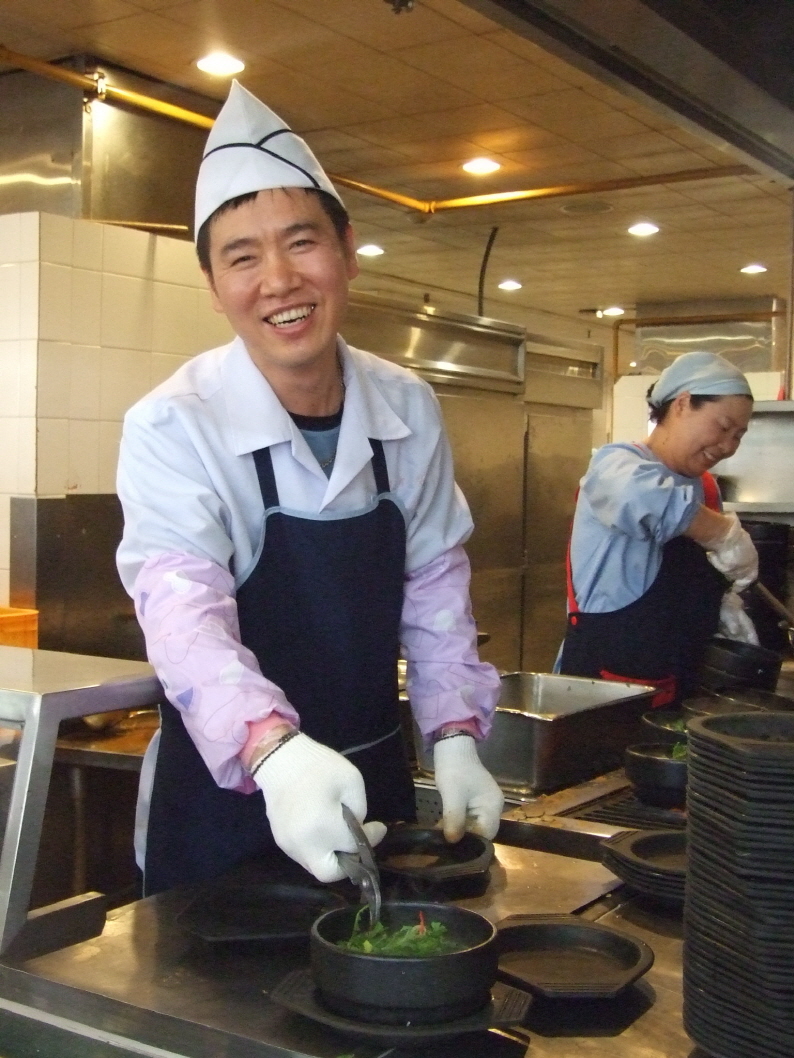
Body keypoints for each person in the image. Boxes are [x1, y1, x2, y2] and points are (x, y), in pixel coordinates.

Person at [116, 81, 504, 896]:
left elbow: (435, 583)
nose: (279, 280)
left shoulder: (407, 407)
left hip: (375, 792)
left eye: (302, 242)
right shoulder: (174, 424)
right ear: (213, 284)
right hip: (228, 804)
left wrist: (455, 731)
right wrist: (274, 752)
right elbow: (182, 612)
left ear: (347, 250)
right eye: (242, 257)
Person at [559, 350, 758, 706]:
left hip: (683, 686)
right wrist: (721, 533)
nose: (728, 446)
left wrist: (721, 602)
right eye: (723, 427)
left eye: (739, 436)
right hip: (604, 691)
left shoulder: (706, 488)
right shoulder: (616, 465)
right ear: (682, 404)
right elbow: (640, 498)